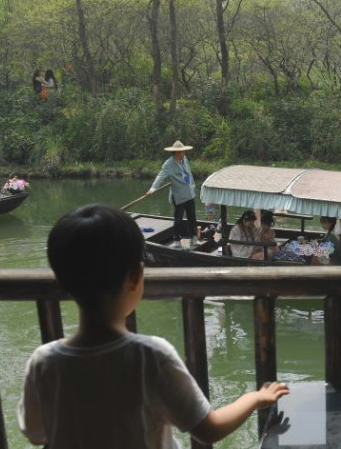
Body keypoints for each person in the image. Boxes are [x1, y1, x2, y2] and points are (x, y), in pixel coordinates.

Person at [17, 204, 289, 449]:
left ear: (62, 282)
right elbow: (208, 430)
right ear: (136, 276)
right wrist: (254, 398)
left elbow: (36, 434)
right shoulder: (152, 357)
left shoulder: (43, 362)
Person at [146, 141, 197, 246]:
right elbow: (160, 176)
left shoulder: (185, 159)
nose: (183, 153)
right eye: (181, 152)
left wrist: (193, 184)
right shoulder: (168, 164)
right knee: (178, 218)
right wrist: (153, 189)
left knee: (192, 217)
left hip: (189, 193)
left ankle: (193, 237)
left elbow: (189, 173)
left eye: (183, 151)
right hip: (178, 196)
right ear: (176, 152)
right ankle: (177, 240)